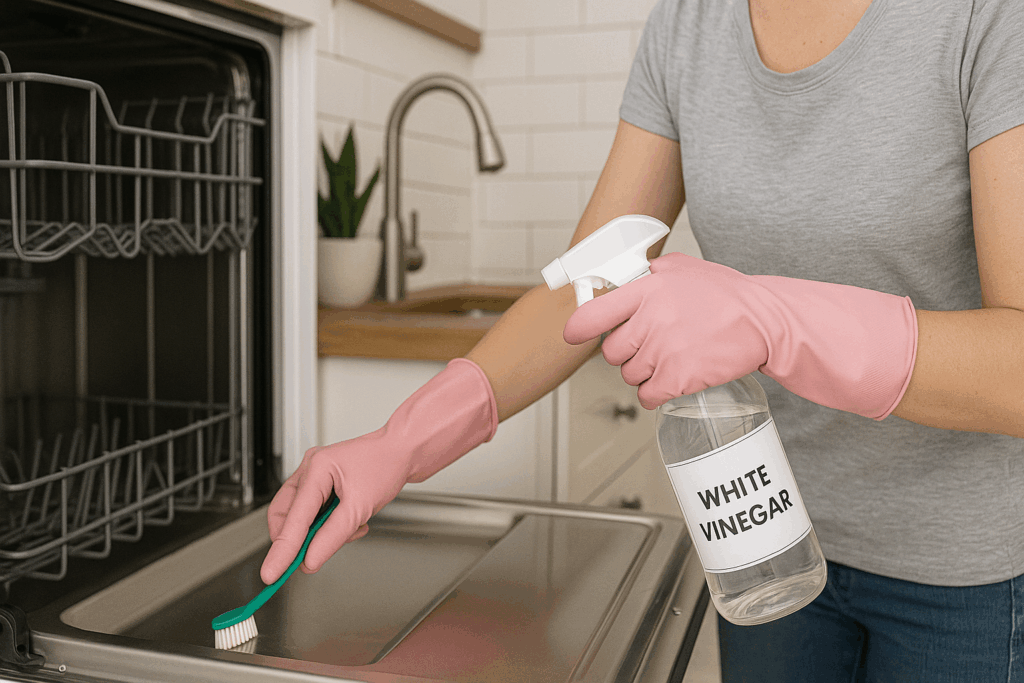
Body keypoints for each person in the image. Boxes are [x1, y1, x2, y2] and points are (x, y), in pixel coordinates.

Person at [261, 0, 1024, 680]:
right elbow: (591, 279)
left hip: (966, 576)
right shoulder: (689, 24)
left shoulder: (983, 16)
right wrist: (403, 441)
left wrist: (772, 318)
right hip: (763, 538)